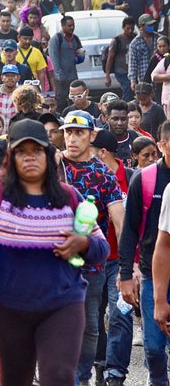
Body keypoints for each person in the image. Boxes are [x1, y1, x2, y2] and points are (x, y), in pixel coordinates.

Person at [0, 119, 110, 385]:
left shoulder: (70, 198)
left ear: (49, 154)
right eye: (21, 152)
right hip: (6, 308)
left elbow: (102, 250)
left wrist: (83, 243)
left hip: (62, 306)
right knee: (16, 380)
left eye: (37, 150)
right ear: (11, 157)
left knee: (60, 377)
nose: (30, 157)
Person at [59, 110, 125, 385]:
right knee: (54, 322)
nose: (72, 138)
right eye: (68, 132)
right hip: (53, 260)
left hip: (93, 263)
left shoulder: (104, 175)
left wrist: (126, 268)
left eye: (79, 132)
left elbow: (119, 223)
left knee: (89, 326)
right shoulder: (52, 167)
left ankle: (81, 375)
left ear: (92, 135)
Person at [119, 121, 170, 386]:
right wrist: (126, 274)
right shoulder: (146, 179)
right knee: (153, 346)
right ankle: (158, 380)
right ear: (162, 145)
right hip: (153, 275)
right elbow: (129, 230)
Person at [90, 129, 137, 385]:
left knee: (121, 316)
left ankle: (116, 373)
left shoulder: (130, 177)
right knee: (94, 316)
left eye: (92, 148)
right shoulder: (88, 174)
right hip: (95, 259)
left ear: (102, 152)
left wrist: (133, 265)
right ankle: (100, 365)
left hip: (121, 260)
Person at [49, 15, 84, 109]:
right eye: (69, 26)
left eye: (73, 25)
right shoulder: (57, 39)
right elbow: (53, 57)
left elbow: (78, 55)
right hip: (61, 77)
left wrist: (81, 56)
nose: (72, 28)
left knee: (74, 100)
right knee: (61, 101)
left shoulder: (75, 38)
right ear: (63, 26)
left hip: (72, 76)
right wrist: (58, 73)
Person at [106, 17, 137, 102]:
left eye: (132, 28)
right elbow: (110, 58)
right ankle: (125, 107)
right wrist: (107, 75)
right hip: (121, 71)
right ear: (123, 28)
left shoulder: (136, 38)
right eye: (128, 28)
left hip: (133, 70)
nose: (130, 31)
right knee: (127, 88)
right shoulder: (117, 40)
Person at [129, 14, 159, 93]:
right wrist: (133, 81)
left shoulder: (159, 38)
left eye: (152, 24)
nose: (151, 26)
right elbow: (132, 64)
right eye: (149, 25)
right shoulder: (135, 43)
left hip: (159, 76)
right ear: (141, 26)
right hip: (144, 78)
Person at [106, 100, 141, 167]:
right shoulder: (102, 140)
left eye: (123, 119)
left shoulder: (135, 137)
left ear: (127, 119)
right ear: (108, 119)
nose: (119, 123)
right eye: (115, 119)